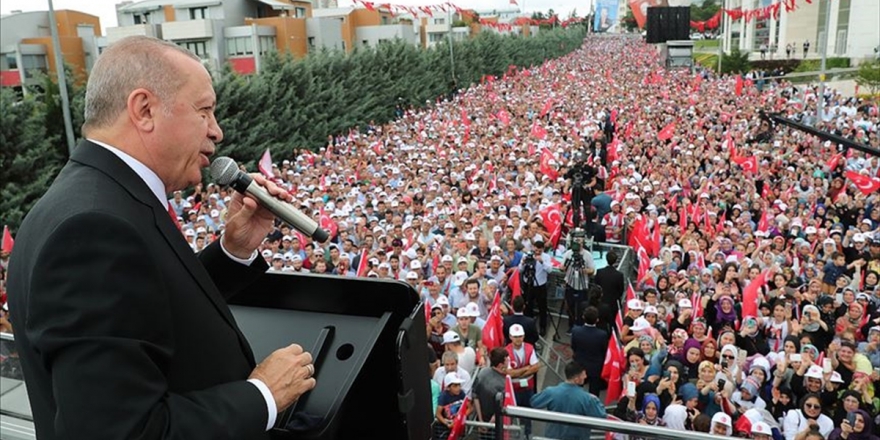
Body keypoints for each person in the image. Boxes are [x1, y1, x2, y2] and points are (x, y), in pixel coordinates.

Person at [5, 36, 315, 439]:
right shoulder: (94, 229)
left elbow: (148, 311)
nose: (217, 132)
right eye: (204, 111)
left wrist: (233, 251)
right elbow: (120, 431)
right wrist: (263, 396)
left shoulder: (96, 200)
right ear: (145, 110)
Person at [530, 362, 607, 440]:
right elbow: (601, 415)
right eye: (583, 374)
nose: (585, 376)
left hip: (553, 436)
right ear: (576, 379)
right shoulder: (587, 398)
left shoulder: (550, 392)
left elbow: (534, 402)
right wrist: (596, 400)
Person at [570, 306, 609, 395]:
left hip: (579, 364)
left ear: (583, 317)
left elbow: (573, 346)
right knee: (594, 392)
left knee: (576, 390)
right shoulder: (602, 334)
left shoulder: (576, 331)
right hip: (595, 366)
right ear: (597, 320)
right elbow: (604, 350)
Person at [595, 251, 625, 333]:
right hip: (613, 302)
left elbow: (596, 286)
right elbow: (621, 289)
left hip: (601, 301)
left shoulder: (599, 272)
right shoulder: (619, 275)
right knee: (612, 322)